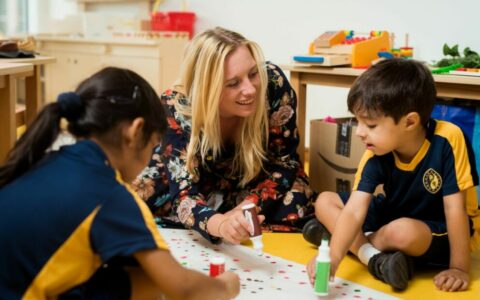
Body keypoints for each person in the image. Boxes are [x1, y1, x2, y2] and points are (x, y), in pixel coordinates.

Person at [0, 67, 239, 299]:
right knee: (150, 281)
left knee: (130, 278)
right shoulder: (112, 196)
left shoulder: (44, 161)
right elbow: (184, 290)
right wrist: (225, 287)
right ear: (135, 131)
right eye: (154, 145)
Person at [306, 59, 480, 292]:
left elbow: (455, 210)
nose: (359, 132)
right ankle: (375, 259)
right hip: (394, 214)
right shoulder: (376, 150)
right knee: (325, 201)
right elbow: (354, 209)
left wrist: (459, 267)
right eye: (357, 121)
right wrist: (333, 258)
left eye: (370, 125)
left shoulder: (448, 139)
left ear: (409, 121)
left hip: (441, 229)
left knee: (401, 232)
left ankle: (354, 241)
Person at [132, 27, 315, 244]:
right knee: (138, 202)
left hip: (248, 177)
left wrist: (245, 209)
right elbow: (184, 194)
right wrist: (220, 224)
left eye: (253, 73)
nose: (250, 89)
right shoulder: (175, 106)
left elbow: (284, 161)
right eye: (233, 83)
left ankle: (220, 214)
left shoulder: (273, 83)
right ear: (205, 88)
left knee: (297, 199)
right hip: (189, 178)